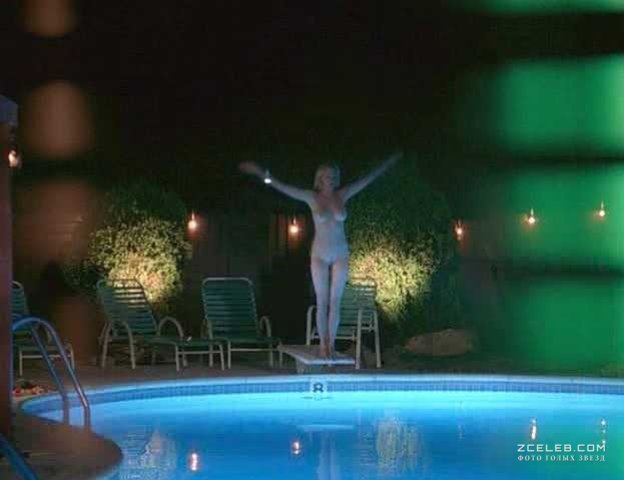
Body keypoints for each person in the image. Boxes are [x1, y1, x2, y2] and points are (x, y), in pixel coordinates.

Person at [239, 152, 401, 358]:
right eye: (327, 176)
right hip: (320, 254)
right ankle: (323, 345)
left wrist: (387, 163)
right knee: (322, 300)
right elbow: (282, 186)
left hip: (340, 252)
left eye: (334, 176)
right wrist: (260, 173)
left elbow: (366, 180)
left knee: (336, 301)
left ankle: (330, 345)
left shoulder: (342, 195)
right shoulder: (311, 197)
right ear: (320, 178)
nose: (330, 180)